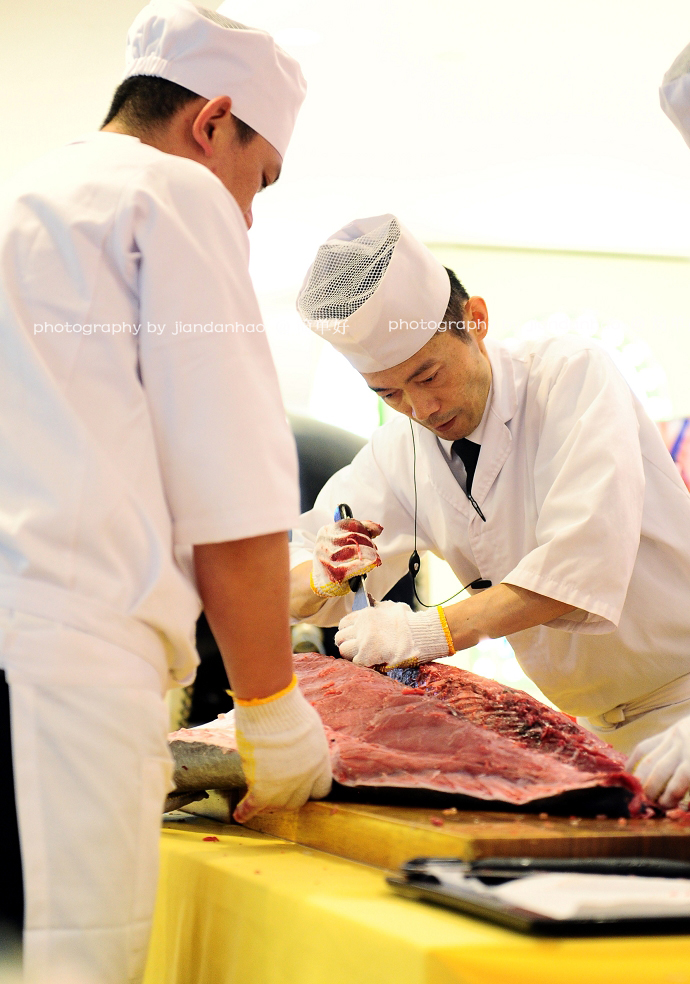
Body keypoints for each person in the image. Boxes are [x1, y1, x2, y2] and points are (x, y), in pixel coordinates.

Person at [0, 1, 332, 981]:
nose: (248, 211)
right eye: (259, 178)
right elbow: (228, 484)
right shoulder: (175, 197)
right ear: (211, 120)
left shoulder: (27, 199)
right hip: (70, 664)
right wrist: (271, 707)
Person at [289, 213, 690, 811]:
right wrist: (325, 569)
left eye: (429, 375)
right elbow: (289, 580)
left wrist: (430, 631)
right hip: (594, 733)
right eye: (388, 393)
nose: (421, 407)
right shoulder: (401, 451)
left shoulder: (569, 375)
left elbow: (579, 565)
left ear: (475, 320)